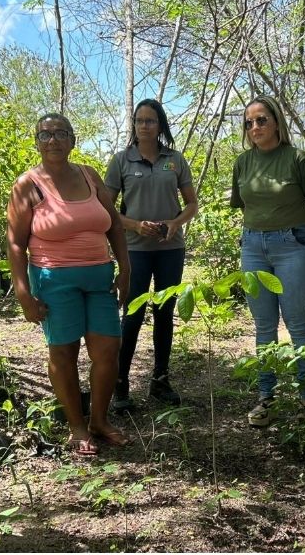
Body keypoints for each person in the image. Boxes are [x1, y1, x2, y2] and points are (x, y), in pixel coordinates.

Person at [6, 113, 132, 457]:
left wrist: (125, 269)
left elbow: (115, 226)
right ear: (36, 142)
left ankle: (99, 421)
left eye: (61, 133)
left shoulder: (89, 176)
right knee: (64, 351)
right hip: (53, 278)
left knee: (107, 350)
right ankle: (77, 427)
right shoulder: (28, 185)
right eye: (45, 134)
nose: (53, 140)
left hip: (99, 276)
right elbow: (16, 243)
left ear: (73, 140)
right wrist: (23, 292)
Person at [231, 95, 305, 427]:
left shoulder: (298, 159)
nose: (255, 127)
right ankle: (266, 399)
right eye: (249, 122)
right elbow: (246, 206)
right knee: (263, 326)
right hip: (253, 247)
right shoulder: (242, 163)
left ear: (276, 122)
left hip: (292, 246)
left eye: (261, 120)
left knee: (298, 323)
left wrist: (291, 231)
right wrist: (263, 232)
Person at [103, 99, 198, 410]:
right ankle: (120, 385)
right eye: (140, 120)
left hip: (170, 249)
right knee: (131, 315)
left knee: (164, 314)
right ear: (134, 125)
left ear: (160, 125)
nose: (144, 125)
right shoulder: (121, 161)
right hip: (135, 250)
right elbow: (106, 211)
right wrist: (135, 225)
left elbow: (192, 205)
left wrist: (174, 223)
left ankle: (160, 381)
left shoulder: (175, 160)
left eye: (151, 121)